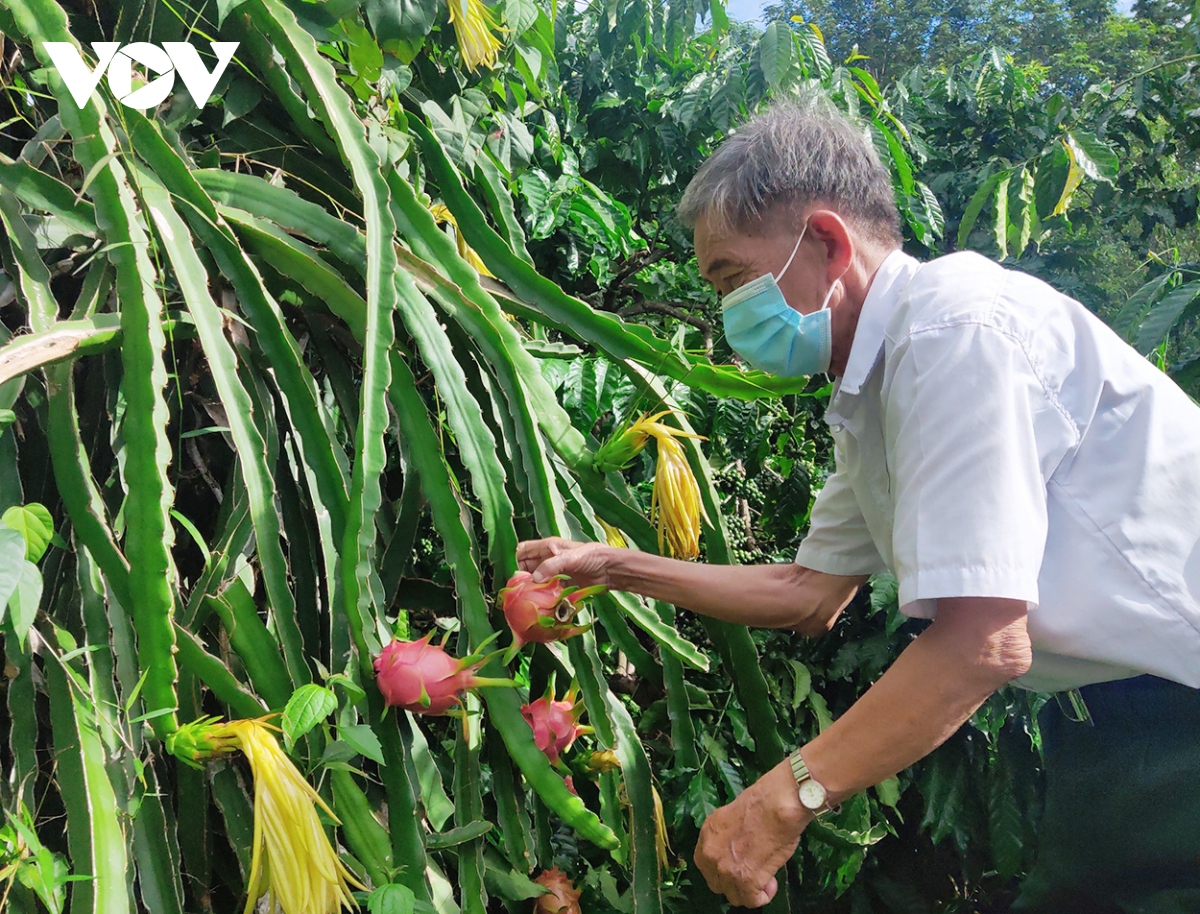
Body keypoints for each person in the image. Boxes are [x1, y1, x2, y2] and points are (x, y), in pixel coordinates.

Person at [517, 96, 1200, 912]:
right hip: (1121, 724)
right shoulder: (873, 386)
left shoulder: (952, 332)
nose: (727, 311)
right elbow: (808, 593)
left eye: (732, 278)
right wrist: (613, 566)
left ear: (830, 243)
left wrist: (786, 797)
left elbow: (984, 643)